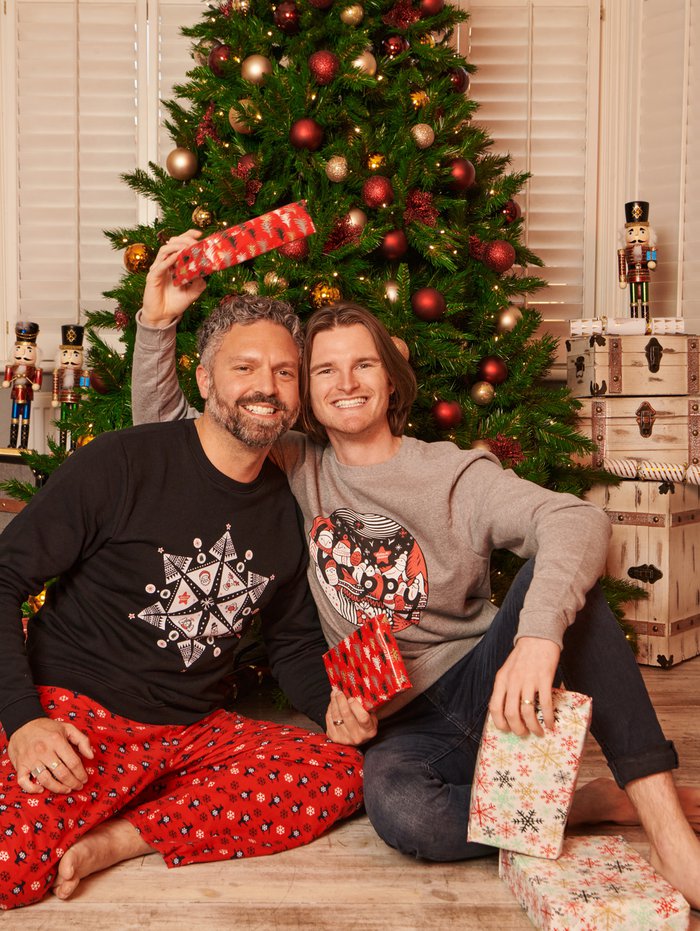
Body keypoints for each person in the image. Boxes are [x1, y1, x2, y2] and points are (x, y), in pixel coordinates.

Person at [132, 232, 700, 907]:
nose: (346, 382)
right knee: (403, 813)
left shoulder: (452, 471)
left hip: (489, 682)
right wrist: (157, 323)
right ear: (304, 395)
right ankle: (575, 804)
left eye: (363, 364)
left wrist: (536, 638)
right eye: (324, 370)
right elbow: (177, 433)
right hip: (401, 726)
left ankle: (669, 833)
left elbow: (577, 521)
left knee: (564, 590)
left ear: (390, 377)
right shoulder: (296, 466)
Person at [0, 282, 364, 911]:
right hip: (79, 717)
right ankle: (104, 792)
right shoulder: (120, 463)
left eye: (283, 372)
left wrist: (334, 706)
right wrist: (24, 722)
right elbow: (3, 578)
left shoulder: (288, 510)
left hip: (190, 736)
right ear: (203, 378)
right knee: (10, 868)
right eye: (244, 367)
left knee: (341, 772)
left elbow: (294, 642)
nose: (266, 387)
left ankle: (118, 838)